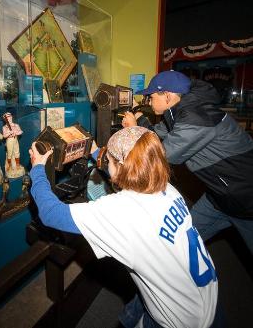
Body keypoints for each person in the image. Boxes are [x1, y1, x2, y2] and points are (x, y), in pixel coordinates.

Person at [29, 126, 218, 328]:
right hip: (208, 301)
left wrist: (38, 168)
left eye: (109, 161)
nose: (106, 163)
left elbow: (51, 214)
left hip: (178, 321)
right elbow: (125, 171)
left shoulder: (121, 213)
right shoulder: (167, 189)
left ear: (122, 166)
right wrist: (94, 150)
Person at [122, 70, 253, 254]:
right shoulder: (183, 111)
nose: (149, 103)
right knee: (181, 238)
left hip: (245, 199)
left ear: (167, 95)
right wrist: (141, 121)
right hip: (219, 196)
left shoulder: (196, 118)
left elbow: (162, 156)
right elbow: (156, 133)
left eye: (151, 98)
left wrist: (134, 129)